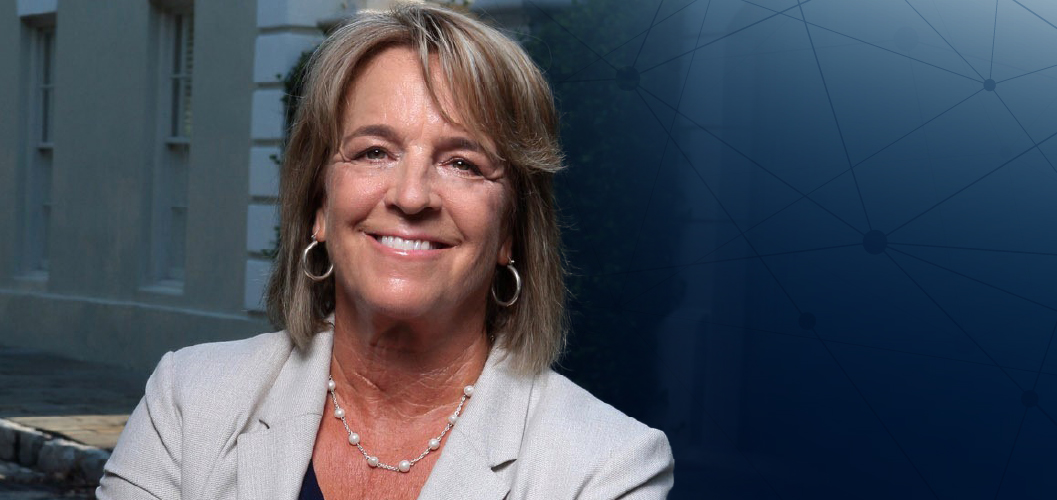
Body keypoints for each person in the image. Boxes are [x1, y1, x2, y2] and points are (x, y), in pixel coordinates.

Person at [97, 4, 673, 499]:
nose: (411, 195)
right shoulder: (189, 400)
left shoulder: (607, 465)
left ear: (511, 232)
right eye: (374, 151)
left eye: (462, 163)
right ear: (319, 205)